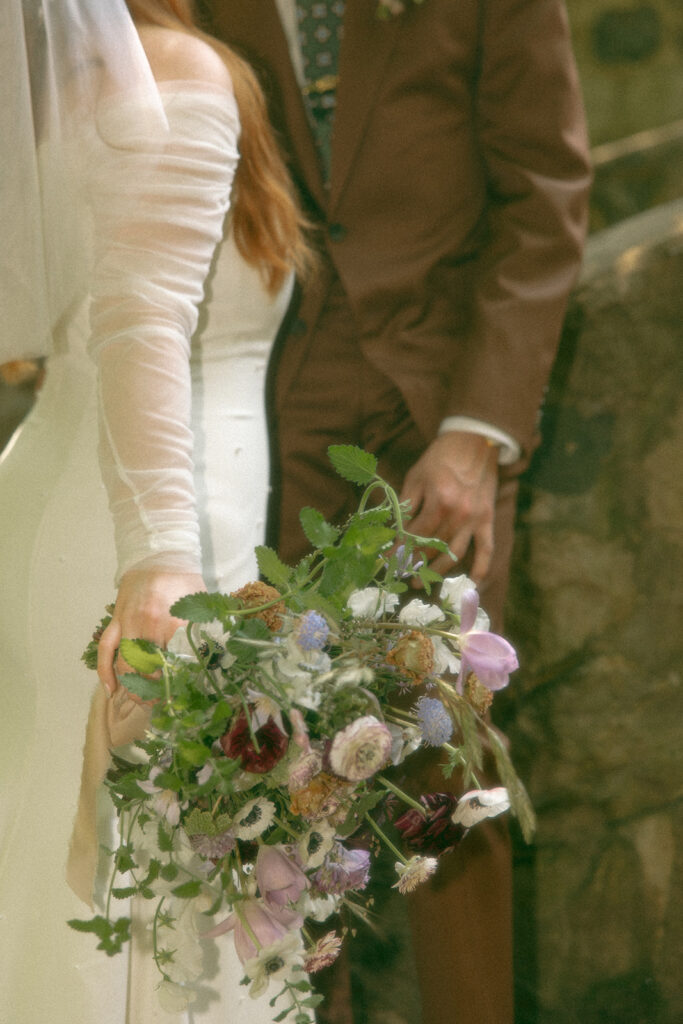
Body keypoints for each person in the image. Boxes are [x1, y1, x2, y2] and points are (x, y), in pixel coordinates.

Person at [198, 1, 592, 1021]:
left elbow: (542, 191)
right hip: (264, 424)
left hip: (434, 423)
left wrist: (476, 431)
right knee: (269, 789)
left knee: (447, 780)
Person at [0, 0, 309, 1021]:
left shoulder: (50, 96)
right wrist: (162, 563)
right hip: (146, 543)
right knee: (130, 894)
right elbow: (141, 325)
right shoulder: (169, 75)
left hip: (98, 510)